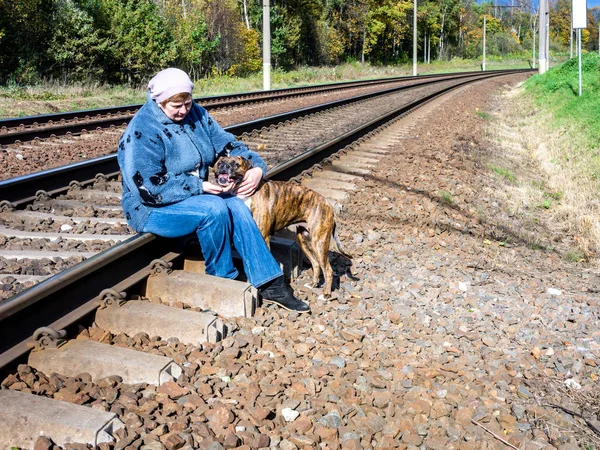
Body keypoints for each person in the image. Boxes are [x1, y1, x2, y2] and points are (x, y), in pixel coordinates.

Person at [117, 67, 310, 313]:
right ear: (159, 100)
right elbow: (146, 186)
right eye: (176, 106)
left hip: (191, 199)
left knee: (236, 205)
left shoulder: (196, 115)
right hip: (150, 208)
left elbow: (229, 146)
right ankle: (223, 279)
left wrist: (257, 168)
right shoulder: (142, 130)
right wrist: (200, 186)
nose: (184, 110)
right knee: (214, 207)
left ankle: (270, 282)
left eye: (187, 102)